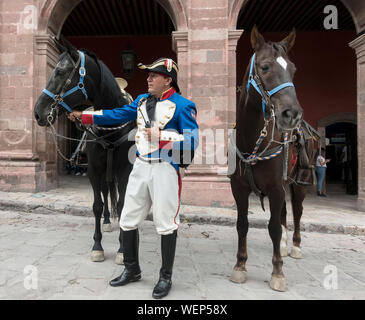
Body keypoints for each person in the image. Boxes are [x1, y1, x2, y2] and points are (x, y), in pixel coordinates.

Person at [68, 58, 199, 299]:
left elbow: (192, 142)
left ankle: (165, 277)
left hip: (165, 169)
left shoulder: (184, 106)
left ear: (168, 79)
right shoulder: (140, 101)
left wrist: (162, 136)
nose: (148, 79)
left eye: (153, 75)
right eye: (148, 75)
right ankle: (132, 269)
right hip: (140, 166)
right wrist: (84, 116)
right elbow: (116, 114)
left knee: (166, 223)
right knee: (127, 219)